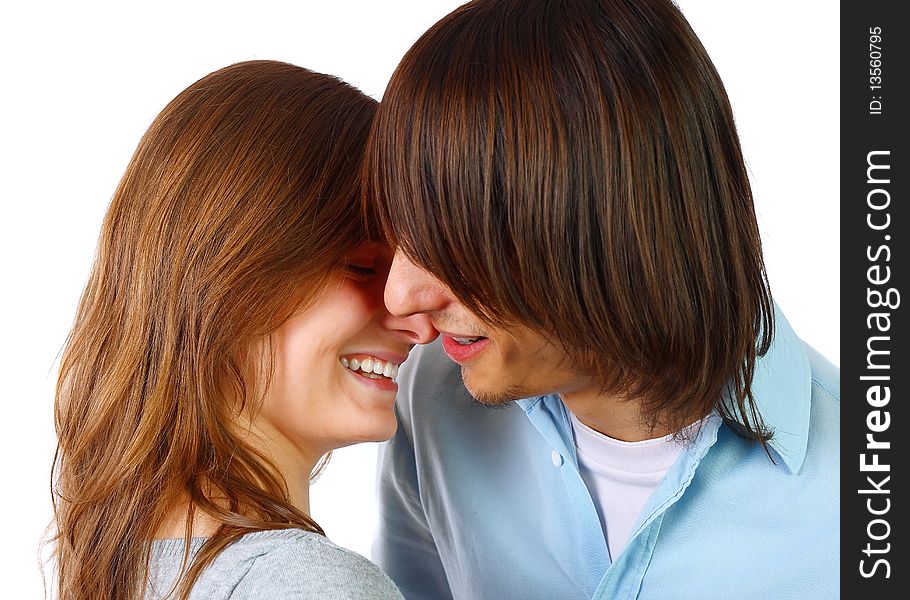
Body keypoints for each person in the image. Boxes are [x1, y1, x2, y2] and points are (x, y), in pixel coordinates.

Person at [365, 1, 839, 598]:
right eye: (400, 229)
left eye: (457, 237)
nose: (400, 296)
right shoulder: (433, 401)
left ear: (609, 223)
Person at [51, 60, 430, 600]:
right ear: (228, 284)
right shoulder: (310, 587)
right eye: (365, 268)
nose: (418, 324)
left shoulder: (114, 566)